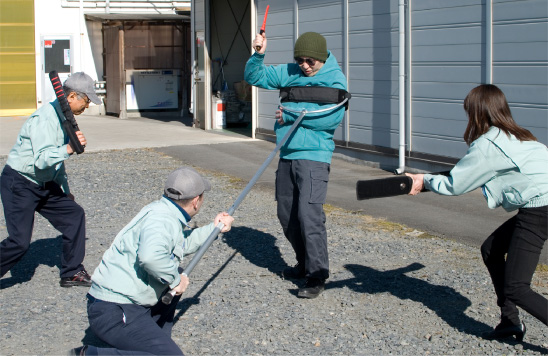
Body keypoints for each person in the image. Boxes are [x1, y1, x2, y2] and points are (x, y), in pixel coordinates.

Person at [406, 84, 547, 342]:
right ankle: (510, 323)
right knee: (491, 249)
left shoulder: (488, 144)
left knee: (517, 287)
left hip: (539, 210)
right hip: (541, 205)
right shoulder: (520, 135)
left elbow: (455, 184)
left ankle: (511, 320)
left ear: (476, 113)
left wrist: (423, 180)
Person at [69, 167, 234, 355]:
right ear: (196, 201)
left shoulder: (161, 211)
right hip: (113, 309)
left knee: (174, 272)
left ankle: (152, 342)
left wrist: (214, 229)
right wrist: (175, 280)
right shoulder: (162, 220)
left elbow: (180, 245)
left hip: (118, 304)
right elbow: (150, 258)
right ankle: (89, 354)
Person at [244, 32, 348, 299]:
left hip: (315, 156)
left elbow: (328, 118)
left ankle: (317, 275)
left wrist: (288, 113)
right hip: (287, 153)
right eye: (300, 60)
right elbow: (254, 77)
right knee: (286, 213)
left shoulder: (335, 79)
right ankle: (303, 263)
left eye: (310, 60)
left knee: (309, 216)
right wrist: (258, 54)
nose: (305, 65)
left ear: (322, 57)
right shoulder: (289, 72)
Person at [1, 72, 101, 287]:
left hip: (45, 183)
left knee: (74, 215)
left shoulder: (64, 116)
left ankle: (71, 272)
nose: (88, 106)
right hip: (20, 182)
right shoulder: (45, 118)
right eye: (86, 101)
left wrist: (64, 190)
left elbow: (57, 164)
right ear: (73, 96)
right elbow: (42, 159)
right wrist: (68, 148)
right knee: (19, 243)